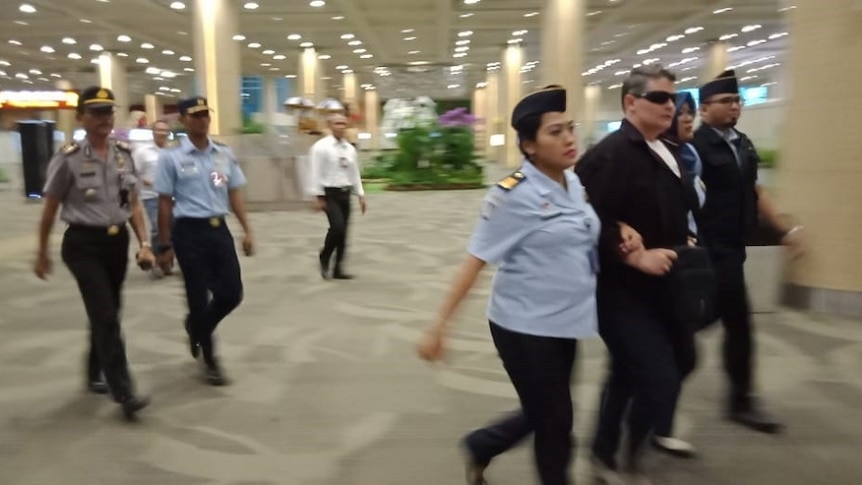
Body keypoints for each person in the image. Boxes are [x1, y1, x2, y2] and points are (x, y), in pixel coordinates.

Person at [417, 86, 640, 485]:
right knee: (556, 421)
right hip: (522, 325)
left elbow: (586, 225)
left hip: (565, 322)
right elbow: (475, 260)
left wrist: (621, 229)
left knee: (546, 412)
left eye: (570, 128)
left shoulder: (572, 183)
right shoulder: (511, 196)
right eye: (555, 132)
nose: (569, 138)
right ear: (529, 145)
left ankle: (482, 445)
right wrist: (439, 325)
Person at [576, 65, 699, 484]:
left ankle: (613, 452)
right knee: (656, 375)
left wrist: (683, 234)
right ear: (631, 102)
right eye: (660, 98)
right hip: (621, 291)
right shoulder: (610, 154)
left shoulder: (666, 148)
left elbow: (667, 204)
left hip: (665, 284)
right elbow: (584, 217)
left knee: (677, 361)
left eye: (674, 98)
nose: (672, 106)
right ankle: (617, 451)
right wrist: (628, 252)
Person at [692, 69, 804, 434]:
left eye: (737, 101)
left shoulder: (743, 144)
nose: (735, 107)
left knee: (730, 321)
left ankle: (740, 398)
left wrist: (785, 229)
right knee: (719, 320)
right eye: (726, 101)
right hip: (708, 248)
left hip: (733, 248)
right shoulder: (695, 146)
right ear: (705, 109)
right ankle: (650, 365)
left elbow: (757, 193)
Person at [34, 86, 153, 420]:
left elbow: (133, 205)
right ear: (81, 116)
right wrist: (42, 252)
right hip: (82, 245)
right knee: (104, 314)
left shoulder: (123, 155)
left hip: (117, 244)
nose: (105, 118)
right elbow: (50, 209)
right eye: (97, 112)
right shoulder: (68, 157)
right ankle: (124, 390)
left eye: (109, 112)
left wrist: (144, 244)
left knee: (108, 310)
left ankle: (92, 370)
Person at [153, 96, 254, 386]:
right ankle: (211, 361)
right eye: (195, 115)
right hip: (188, 233)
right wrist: (165, 245)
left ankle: (196, 327)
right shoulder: (171, 157)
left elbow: (234, 192)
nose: (202, 120)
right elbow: (164, 203)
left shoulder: (223, 154)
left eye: (205, 114)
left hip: (218, 230)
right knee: (197, 298)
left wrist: (247, 230)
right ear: (183, 120)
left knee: (232, 293)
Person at [308, 113, 367, 280]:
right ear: (330, 125)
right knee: (337, 227)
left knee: (344, 233)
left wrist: (360, 195)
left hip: (345, 193)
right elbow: (314, 172)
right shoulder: (321, 147)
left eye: (343, 123)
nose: (341, 126)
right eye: (337, 123)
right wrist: (317, 196)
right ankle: (324, 255)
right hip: (329, 194)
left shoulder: (349, 149)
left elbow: (354, 173)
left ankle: (338, 269)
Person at [132, 119, 172, 278]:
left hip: (170, 196)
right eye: (159, 130)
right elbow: (133, 173)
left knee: (171, 228)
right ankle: (154, 259)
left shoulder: (172, 152)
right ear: (153, 132)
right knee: (157, 227)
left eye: (165, 131)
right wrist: (144, 181)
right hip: (151, 196)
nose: (162, 133)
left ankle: (166, 259)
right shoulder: (143, 152)